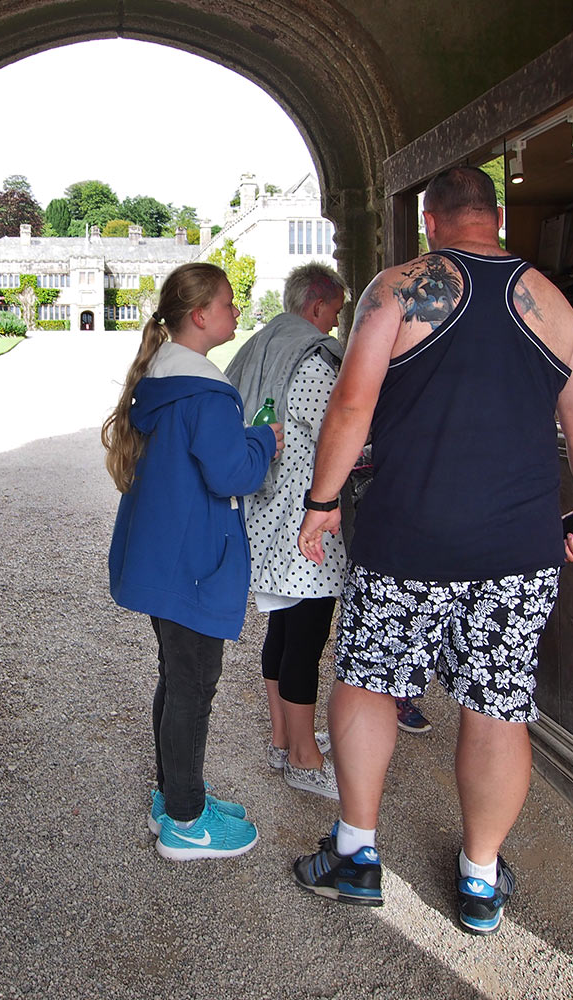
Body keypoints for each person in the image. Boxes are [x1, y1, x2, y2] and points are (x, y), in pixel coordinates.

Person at [291, 166, 573, 934]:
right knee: (498, 708)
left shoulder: (399, 289)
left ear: (431, 222)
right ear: (495, 219)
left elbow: (353, 401)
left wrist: (322, 502)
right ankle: (477, 881)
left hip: (408, 536)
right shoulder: (557, 308)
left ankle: (358, 855)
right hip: (518, 546)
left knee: (369, 683)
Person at [104, 261, 282, 860]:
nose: (237, 313)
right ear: (200, 316)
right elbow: (235, 473)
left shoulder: (162, 376)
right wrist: (265, 439)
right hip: (193, 565)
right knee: (192, 686)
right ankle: (186, 821)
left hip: (162, 557)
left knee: (178, 677)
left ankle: (175, 794)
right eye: (230, 304)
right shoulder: (206, 391)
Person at [223, 263, 348, 799]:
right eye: (336, 315)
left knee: (283, 629)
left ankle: (282, 738)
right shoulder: (314, 358)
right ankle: (304, 756)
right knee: (305, 638)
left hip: (263, 511)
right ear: (317, 306)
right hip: (305, 522)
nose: (335, 327)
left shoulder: (261, 343)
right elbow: (337, 434)